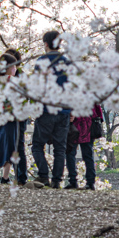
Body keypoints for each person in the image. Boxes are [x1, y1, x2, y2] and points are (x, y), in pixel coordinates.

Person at [31, 30, 72, 188]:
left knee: (37, 145)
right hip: (64, 110)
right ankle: (56, 180)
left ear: (46, 44)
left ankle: (43, 175)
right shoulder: (67, 62)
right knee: (59, 147)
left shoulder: (42, 61)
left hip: (46, 109)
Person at [0, 49, 24, 184]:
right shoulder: (12, 80)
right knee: (10, 145)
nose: (15, 69)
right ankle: (5, 176)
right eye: (14, 66)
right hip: (10, 117)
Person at [66, 103, 101, 190]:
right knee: (87, 154)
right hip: (88, 123)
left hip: (75, 123)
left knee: (70, 153)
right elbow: (98, 109)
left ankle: (73, 181)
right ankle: (90, 182)